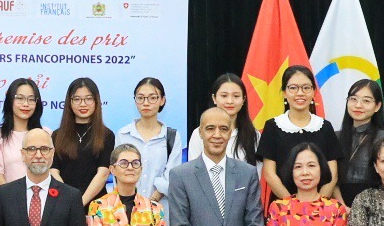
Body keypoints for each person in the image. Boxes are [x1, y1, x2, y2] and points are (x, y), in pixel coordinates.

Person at [258, 67, 342, 200]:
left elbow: (332, 174)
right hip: (283, 205)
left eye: (306, 88)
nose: (300, 93)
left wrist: (318, 205)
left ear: (314, 92)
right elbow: (269, 173)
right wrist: (292, 205)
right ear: (284, 92)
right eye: (293, 88)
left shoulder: (325, 127)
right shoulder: (272, 126)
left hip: (321, 207)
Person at [113, 76, 180, 206]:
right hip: (127, 207)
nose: (146, 103)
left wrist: (150, 203)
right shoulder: (123, 134)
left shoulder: (171, 136)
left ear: (162, 100)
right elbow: (118, 172)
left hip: (160, 207)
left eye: (152, 98)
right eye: (140, 98)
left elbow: (172, 175)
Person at [51, 77, 114, 206]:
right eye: (77, 99)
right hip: (63, 203)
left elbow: (103, 174)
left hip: (96, 206)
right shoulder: (57, 135)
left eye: (88, 99)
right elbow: (53, 171)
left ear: (96, 101)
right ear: (69, 102)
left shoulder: (107, 135)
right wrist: (68, 200)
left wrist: (79, 203)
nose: (83, 104)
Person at [335, 79, 384, 207]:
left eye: (366, 101)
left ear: (377, 106)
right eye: (353, 99)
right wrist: (342, 207)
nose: (358, 105)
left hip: (374, 205)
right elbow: (329, 178)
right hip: (338, 206)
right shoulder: (334, 137)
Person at [189, 73, 257, 165]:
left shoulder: (253, 135)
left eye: (236, 96)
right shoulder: (199, 134)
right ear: (214, 98)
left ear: (243, 99)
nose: (230, 101)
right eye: (224, 96)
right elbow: (193, 169)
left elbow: (256, 171)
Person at [0, 77, 44, 187]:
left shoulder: (46, 134)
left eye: (31, 99)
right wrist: (13, 197)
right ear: (10, 101)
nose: (25, 104)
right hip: (9, 196)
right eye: (20, 98)